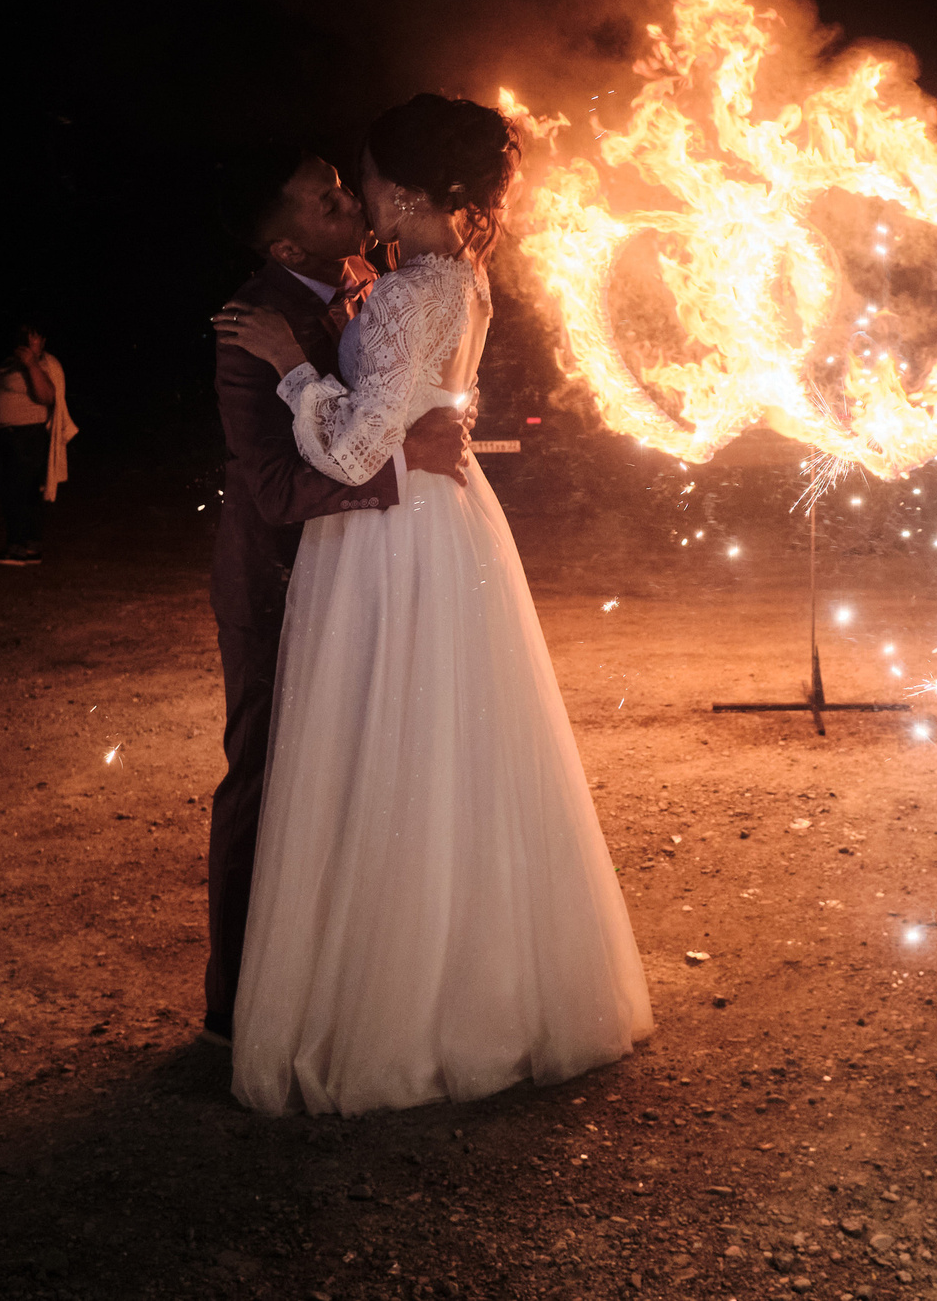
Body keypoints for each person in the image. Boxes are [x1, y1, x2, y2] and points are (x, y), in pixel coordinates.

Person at [213, 97, 651, 1116]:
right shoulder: (458, 278)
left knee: (382, 749)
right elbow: (417, 411)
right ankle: (476, 992)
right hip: (442, 527)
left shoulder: (409, 293)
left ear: (404, 192)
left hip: (383, 538)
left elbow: (352, 452)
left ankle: (389, 1011)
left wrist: (291, 370)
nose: (356, 198)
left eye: (363, 181)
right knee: (447, 752)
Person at [201, 147, 475, 1053]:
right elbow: (275, 489)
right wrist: (403, 461)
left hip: (357, 569)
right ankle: (236, 1005)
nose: (348, 202)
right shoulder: (252, 322)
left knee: (352, 773)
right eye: (325, 201)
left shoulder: (369, 284)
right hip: (276, 580)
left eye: (343, 187)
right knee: (268, 772)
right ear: (286, 239)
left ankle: (337, 980)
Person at [0, 319, 75, 566]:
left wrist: (31, 364)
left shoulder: (43, 363)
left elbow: (46, 396)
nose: (27, 340)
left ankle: (17, 548)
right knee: (18, 491)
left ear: (42, 341)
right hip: (8, 436)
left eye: (33, 336)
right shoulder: (10, 362)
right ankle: (30, 547)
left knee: (18, 492)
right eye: (24, 335)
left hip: (26, 436)